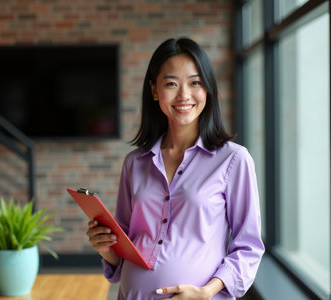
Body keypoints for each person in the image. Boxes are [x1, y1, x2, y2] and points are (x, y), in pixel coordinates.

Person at [86, 37, 264, 300]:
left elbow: (248, 247)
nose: (184, 95)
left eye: (195, 83)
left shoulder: (234, 160)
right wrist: (106, 249)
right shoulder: (135, 163)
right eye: (171, 83)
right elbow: (125, 247)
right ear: (155, 90)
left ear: (208, 90)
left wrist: (207, 292)